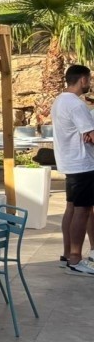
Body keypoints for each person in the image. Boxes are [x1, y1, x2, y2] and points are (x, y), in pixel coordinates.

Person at [54, 64, 94, 273]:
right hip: (83, 164)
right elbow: (91, 134)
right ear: (82, 80)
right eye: (89, 79)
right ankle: (77, 260)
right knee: (83, 210)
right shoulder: (77, 105)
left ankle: (68, 254)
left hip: (70, 162)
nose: (90, 83)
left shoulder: (60, 100)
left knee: (72, 207)